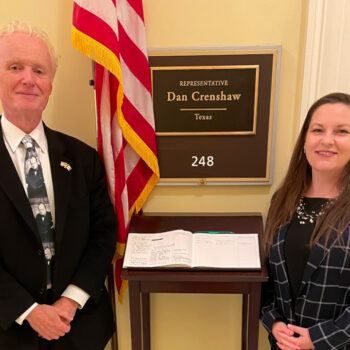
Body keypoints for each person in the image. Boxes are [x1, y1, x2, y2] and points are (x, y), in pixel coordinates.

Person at [0, 22, 117, 350]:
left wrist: (70, 301)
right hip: (9, 331)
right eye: (14, 67)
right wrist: (29, 311)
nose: (28, 79)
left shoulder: (83, 159)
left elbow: (103, 233)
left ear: (50, 84)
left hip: (79, 329)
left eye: (39, 70)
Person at [260, 92, 350, 350]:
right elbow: (267, 279)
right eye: (318, 130)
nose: (327, 140)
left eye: (342, 131)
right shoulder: (283, 199)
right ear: (304, 140)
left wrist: (317, 340)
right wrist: (274, 324)